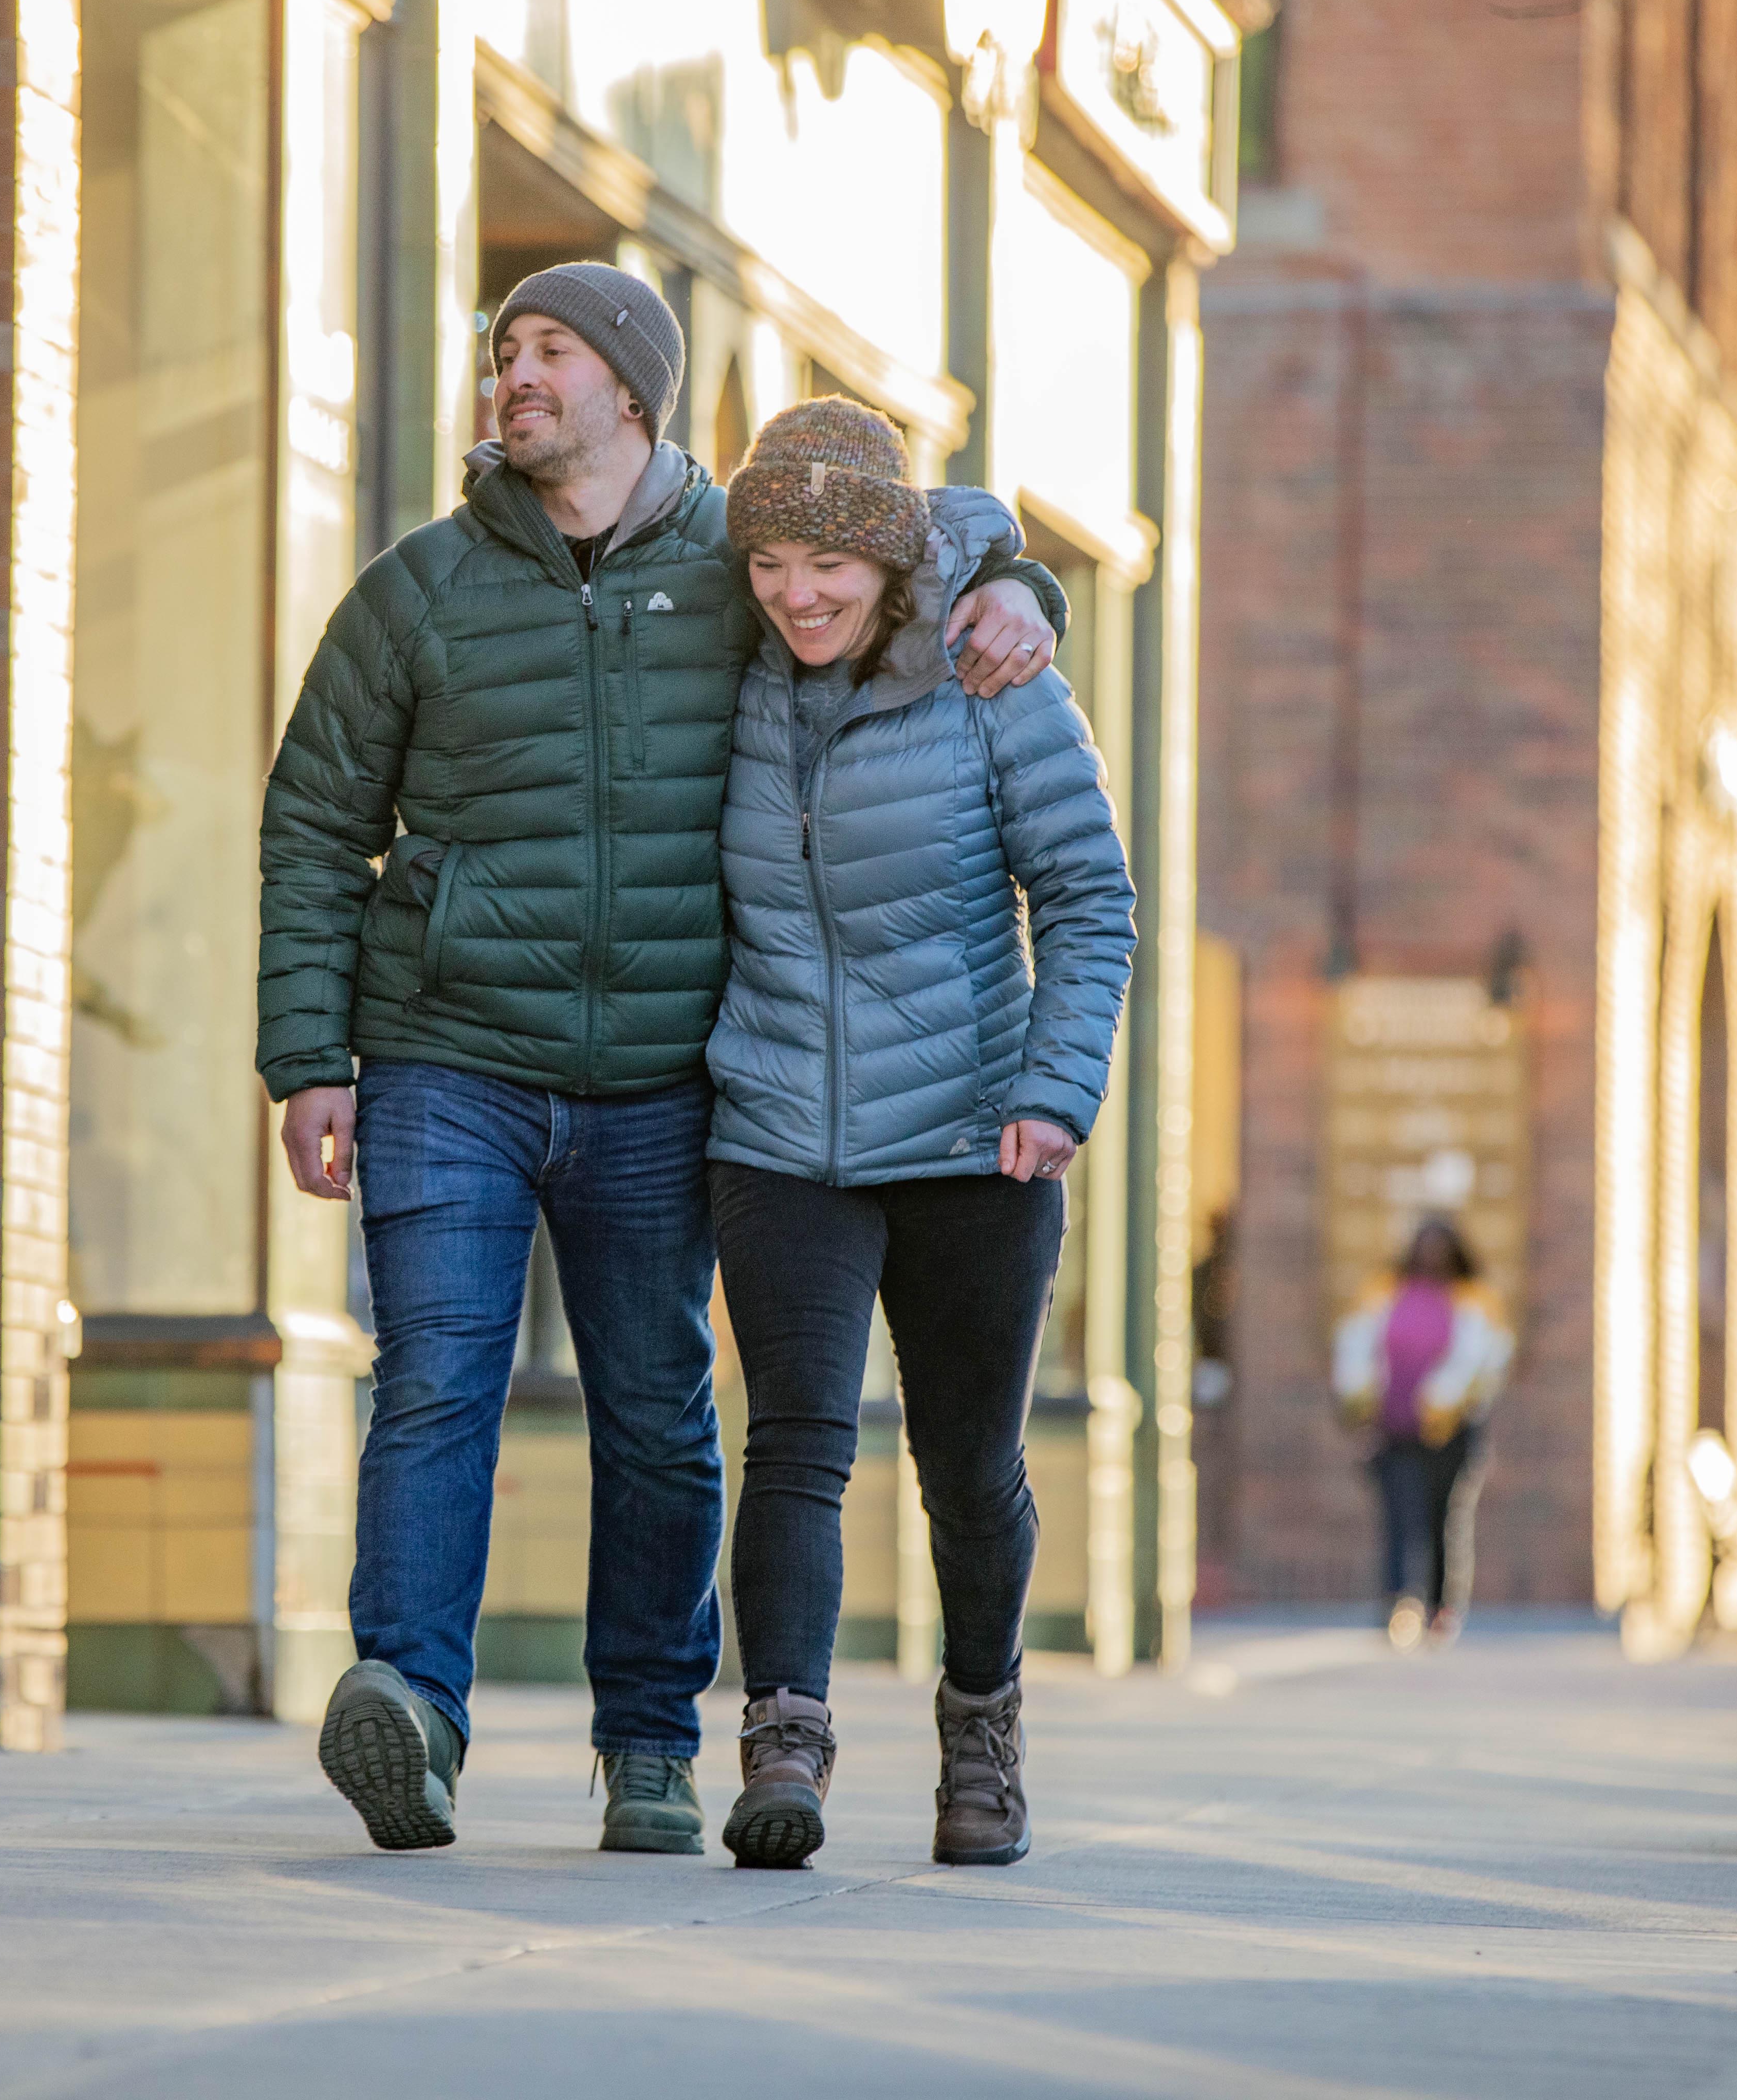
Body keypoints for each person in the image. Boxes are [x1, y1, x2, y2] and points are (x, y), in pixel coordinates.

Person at [255, 265, 1071, 1854]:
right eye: (500, 351)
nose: (514, 376)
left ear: (632, 384)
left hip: (660, 1071)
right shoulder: (414, 591)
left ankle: (647, 1741)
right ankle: (410, 1704)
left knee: (654, 1404)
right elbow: (312, 826)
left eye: (549, 350)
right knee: (432, 1377)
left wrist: (1020, 582)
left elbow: (916, 536)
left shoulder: (740, 570)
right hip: (446, 1054)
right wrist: (310, 1056)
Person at [703, 399, 1138, 1873]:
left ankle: (983, 1722)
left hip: (973, 1138)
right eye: (771, 559)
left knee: (969, 1466)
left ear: (892, 564)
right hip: (778, 1126)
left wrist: (1052, 1090)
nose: (798, 592)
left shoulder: (992, 671)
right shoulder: (735, 674)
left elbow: (1090, 894)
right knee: (797, 1445)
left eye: (830, 561)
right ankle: (785, 1741)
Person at [1331, 1218, 1514, 1648]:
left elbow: (1487, 1361)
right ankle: (1397, 1602)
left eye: (1440, 1249)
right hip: (1393, 1428)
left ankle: (1440, 1606)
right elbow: (1357, 1349)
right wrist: (1358, 1399)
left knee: (1442, 1518)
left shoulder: (1475, 1301)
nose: (1431, 1257)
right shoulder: (1384, 1294)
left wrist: (1449, 1399)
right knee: (1397, 1518)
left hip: (1449, 1430)